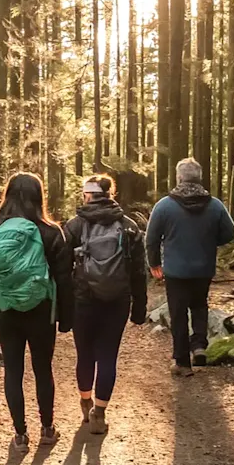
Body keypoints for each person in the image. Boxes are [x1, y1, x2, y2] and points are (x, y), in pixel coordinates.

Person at [0, 172, 74, 453]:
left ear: (7, 196)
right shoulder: (51, 232)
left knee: (13, 371)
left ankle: (20, 435)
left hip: (7, 311)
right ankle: (47, 429)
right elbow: (64, 278)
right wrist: (67, 317)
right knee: (43, 369)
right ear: (38, 197)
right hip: (41, 311)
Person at [64, 175, 148, 435]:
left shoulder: (74, 226)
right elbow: (138, 272)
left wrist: (64, 308)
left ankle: (85, 401)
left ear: (86, 195)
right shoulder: (129, 225)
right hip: (117, 301)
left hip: (83, 300)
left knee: (85, 355)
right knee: (108, 356)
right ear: (111, 194)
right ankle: (99, 412)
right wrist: (140, 307)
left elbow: (63, 269)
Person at [146, 158, 234, 376]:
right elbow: (229, 233)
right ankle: (199, 346)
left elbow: (151, 238)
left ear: (179, 177)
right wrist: (208, 241)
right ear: (199, 177)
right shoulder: (214, 205)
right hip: (203, 268)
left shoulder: (165, 206)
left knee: (178, 314)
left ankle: (182, 362)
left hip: (175, 271)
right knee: (199, 306)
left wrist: (154, 263)